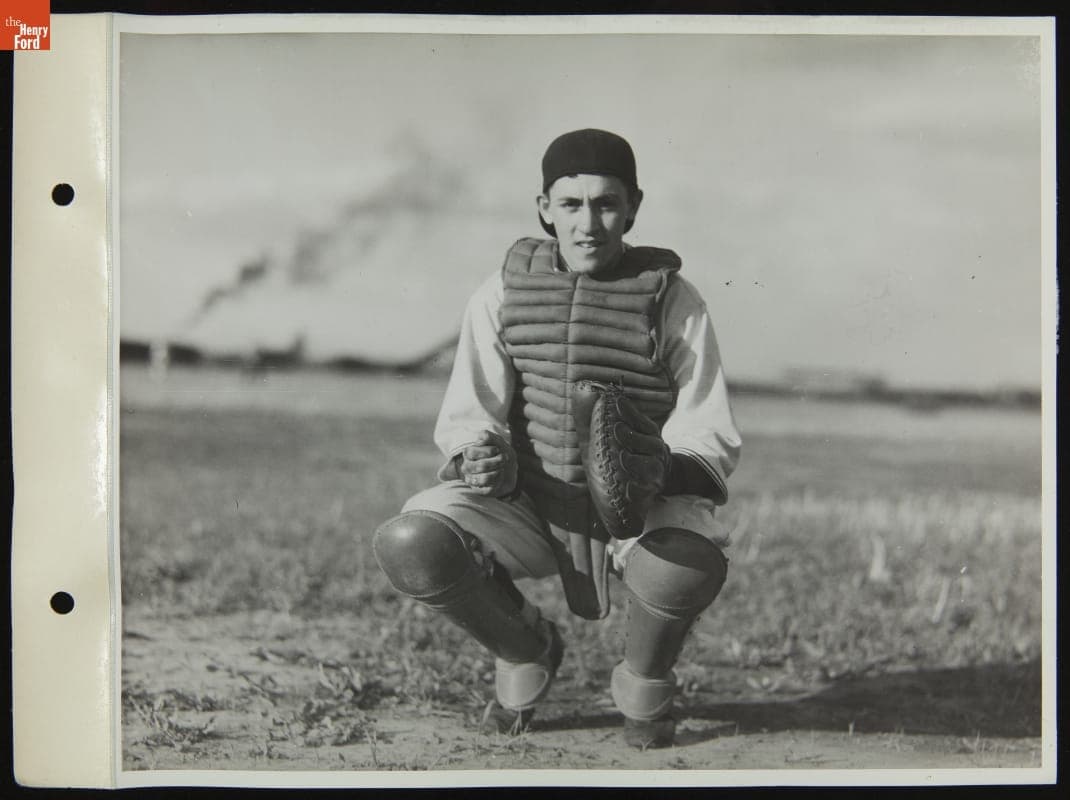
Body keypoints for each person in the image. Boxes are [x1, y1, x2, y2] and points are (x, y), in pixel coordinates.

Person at [373, 128, 741, 749]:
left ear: (633, 206)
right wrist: (480, 457)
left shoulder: (672, 297)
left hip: (633, 510)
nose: (589, 222)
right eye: (571, 204)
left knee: (688, 565)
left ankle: (644, 683)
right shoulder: (503, 291)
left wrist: (660, 471)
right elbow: (471, 407)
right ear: (545, 208)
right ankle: (526, 650)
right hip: (531, 501)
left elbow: (707, 423)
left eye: (605, 203)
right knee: (414, 542)